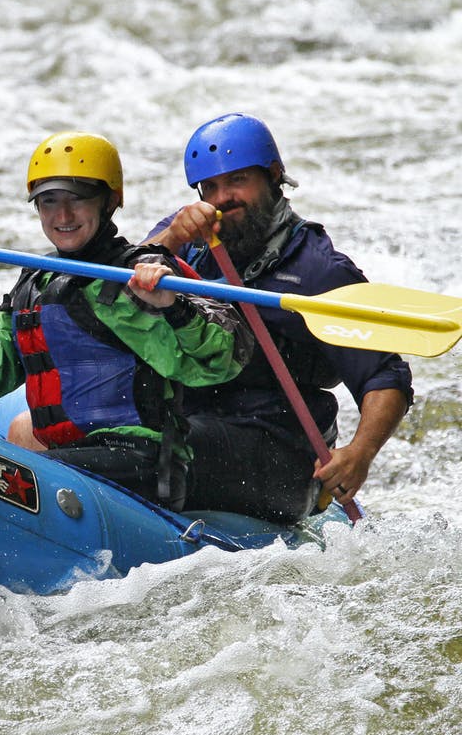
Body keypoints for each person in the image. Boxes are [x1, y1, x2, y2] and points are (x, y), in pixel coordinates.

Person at [0, 132, 252, 511]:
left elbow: (221, 361)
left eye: (77, 199)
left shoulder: (139, 274)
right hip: (68, 460)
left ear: (110, 201)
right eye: (49, 201)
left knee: (9, 479)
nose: (62, 216)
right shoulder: (36, 281)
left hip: (138, 462)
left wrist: (171, 306)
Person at [145, 112, 413, 522]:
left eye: (237, 181)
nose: (222, 199)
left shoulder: (319, 271)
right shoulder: (187, 241)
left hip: (280, 454)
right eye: (210, 187)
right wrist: (171, 240)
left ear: (272, 176)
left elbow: (384, 376)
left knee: (158, 445)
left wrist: (358, 454)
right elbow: (125, 276)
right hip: (196, 422)